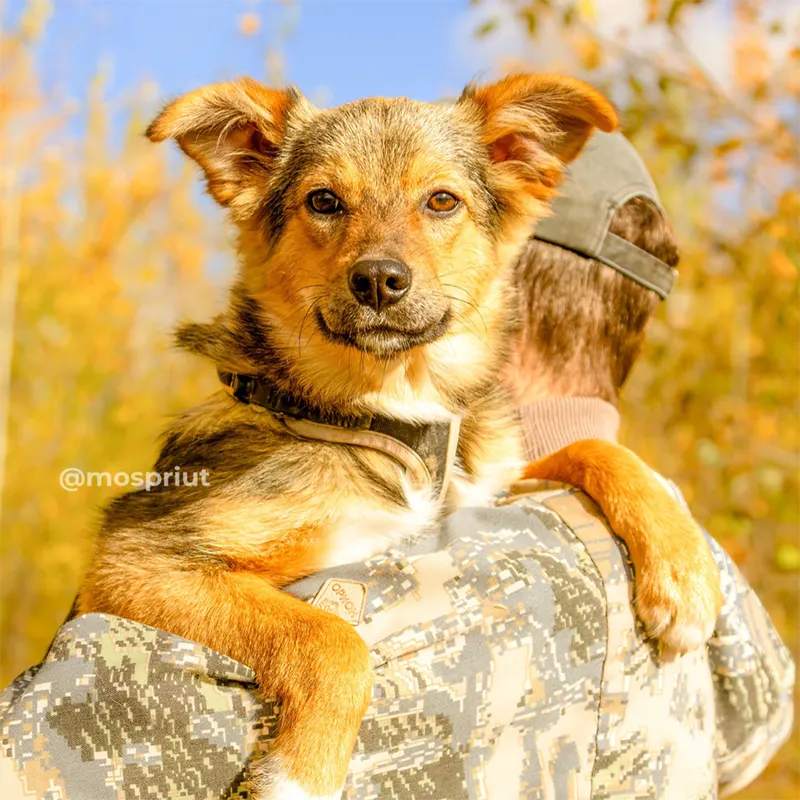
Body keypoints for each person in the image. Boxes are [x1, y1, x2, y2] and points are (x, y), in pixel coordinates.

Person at [0, 133, 792, 800]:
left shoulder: (408, 580)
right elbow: (763, 722)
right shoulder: (700, 569)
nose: (382, 256)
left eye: (440, 205)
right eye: (331, 207)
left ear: (502, 263)